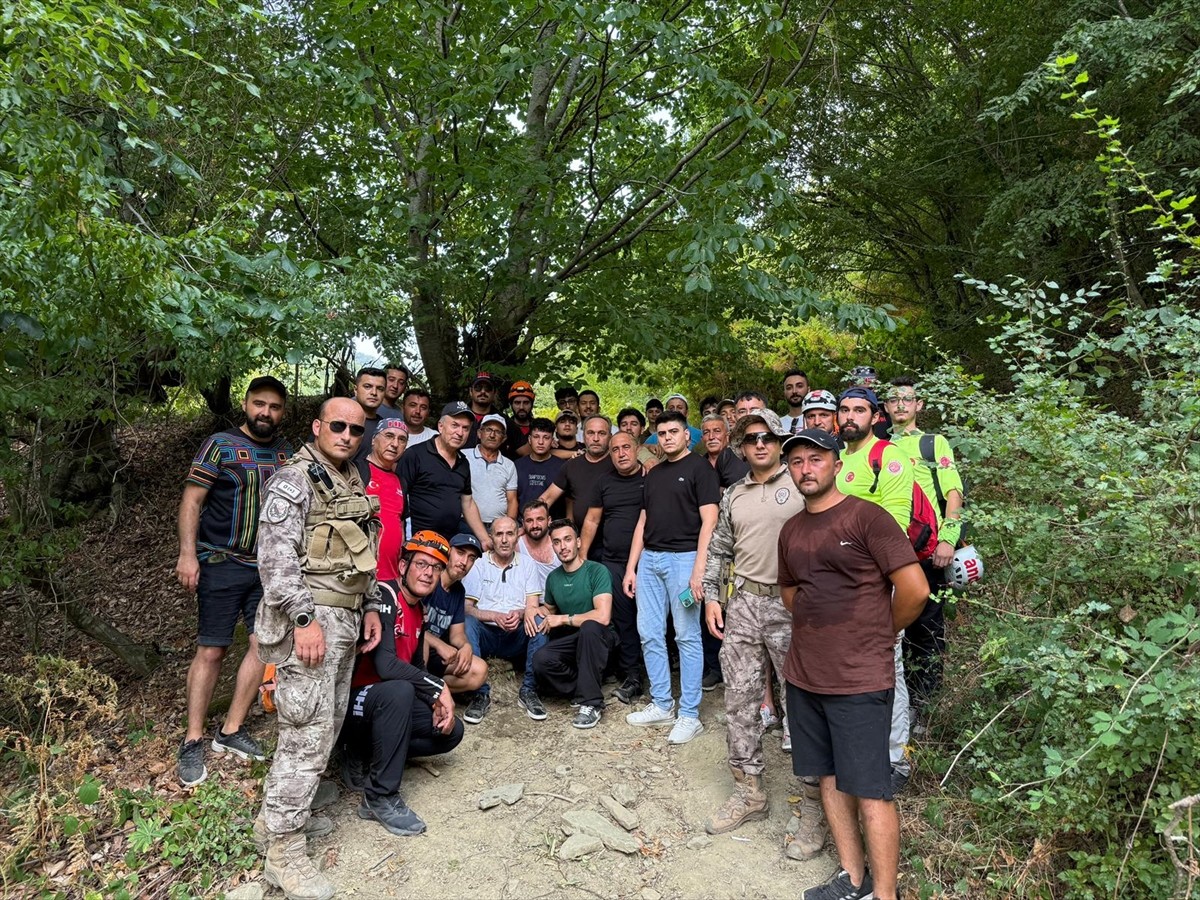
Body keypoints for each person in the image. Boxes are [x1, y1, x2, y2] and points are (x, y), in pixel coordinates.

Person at [778, 429, 929, 900]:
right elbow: (790, 593)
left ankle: (885, 895)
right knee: (827, 775)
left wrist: (880, 633)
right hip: (805, 674)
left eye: (815, 458)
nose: (806, 468)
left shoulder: (867, 518)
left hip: (859, 678)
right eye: (797, 461)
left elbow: (915, 590)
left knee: (871, 788)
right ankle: (853, 878)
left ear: (837, 464)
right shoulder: (792, 529)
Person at [254, 396, 384, 900]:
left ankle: (274, 823)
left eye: (356, 428)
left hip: (345, 617)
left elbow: (362, 551)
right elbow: (275, 561)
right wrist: (304, 619)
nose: (348, 435)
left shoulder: (350, 478)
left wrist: (370, 605)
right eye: (338, 426)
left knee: (324, 725)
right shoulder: (294, 480)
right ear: (317, 426)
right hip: (313, 622)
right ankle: (285, 853)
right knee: (306, 733)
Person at [700, 411, 817, 850]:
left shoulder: (802, 485)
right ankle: (749, 791)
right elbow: (719, 548)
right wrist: (713, 596)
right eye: (751, 439)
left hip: (794, 605)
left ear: (780, 441)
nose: (760, 444)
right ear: (741, 447)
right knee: (740, 699)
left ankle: (813, 806)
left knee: (802, 701)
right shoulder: (734, 494)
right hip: (745, 603)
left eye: (768, 437)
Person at [175, 376, 292, 787]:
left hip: (267, 567)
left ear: (283, 412)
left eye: (275, 407)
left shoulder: (285, 454)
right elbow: (192, 500)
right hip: (221, 560)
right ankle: (193, 739)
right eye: (260, 404)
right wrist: (188, 554)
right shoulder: (220, 445)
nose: (266, 413)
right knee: (212, 649)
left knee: (263, 644)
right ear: (246, 404)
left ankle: (231, 729)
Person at [342, 531, 464, 837]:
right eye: (421, 564)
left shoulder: (419, 611)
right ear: (402, 566)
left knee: (451, 729)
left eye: (436, 568)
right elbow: (385, 665)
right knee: (400, 690)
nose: (428, 573)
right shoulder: (384, 596)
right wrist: (439, 688)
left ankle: (373, 755)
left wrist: (435, 700)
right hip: (353, 703)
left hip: (385, 707)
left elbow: (417, 667)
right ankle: (379, 795)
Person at [836, 386, 919, 791]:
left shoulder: (888, 455)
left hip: (878, 580)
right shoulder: (840, 459)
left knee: (889, 664)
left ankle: (895, 758)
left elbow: (897, 522)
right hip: (841, 585)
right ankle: (863, 748)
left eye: (859, 409)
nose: (850, 416)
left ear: (875, 416)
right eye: (845, 409)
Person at [623, 410, 719, 744]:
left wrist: (699, 570)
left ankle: (690, 714)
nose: (666, 438)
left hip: (685, 560)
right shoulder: (654, 474)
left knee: (686, 636)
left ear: (686, 435)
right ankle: (662, 703)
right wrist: (632, 567)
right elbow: (642, 521)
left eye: (673, 432)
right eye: (661, 433)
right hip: (650, 559)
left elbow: (710, 522)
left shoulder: (700, 470)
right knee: (649, 632)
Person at [884, 376, 964, 713]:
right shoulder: (876, 445)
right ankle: (894, 705)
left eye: (907, 399)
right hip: (887, 554)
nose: (900, 405)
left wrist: (948, 539)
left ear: (919, 405)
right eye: (893, 399)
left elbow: (953, 494)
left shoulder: (933, 443)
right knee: (890, 629)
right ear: (885, 407)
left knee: (927, 631)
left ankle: (927, 705)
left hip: (927, 552)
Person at [528, 519, 618, 728]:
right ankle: (585, 686)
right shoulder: (553, 578)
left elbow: (603, 616)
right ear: (553, 546)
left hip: (601, 639)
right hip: (574, 642)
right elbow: (549, 611)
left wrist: (563, 619)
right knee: (541, 659)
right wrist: (532, 611)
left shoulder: (596, 571)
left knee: (589, 627)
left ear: (578, 542)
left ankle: (592, 703)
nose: (563, 546)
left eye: (567, 540)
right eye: (557, 542)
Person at [580, 430, 646, 705]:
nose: (621, 453)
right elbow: (592, 521)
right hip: (614, 563)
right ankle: (632, 676)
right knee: (623, 621)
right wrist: (582, 558)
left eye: (626, 447)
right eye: (615, 449)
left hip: (650, 562)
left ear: (637, 449)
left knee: (653, 622)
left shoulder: (651, 478)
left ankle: (660, 675)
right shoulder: (604, 481)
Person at [461, 516, 548, 723]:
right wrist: (493, 615)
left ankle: (528, 690)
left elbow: (533, 605)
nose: (504, 539)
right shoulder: (479, 564)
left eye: (509, 533)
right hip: (486, 634)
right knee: (467, 622)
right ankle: (480, 693)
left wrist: (518, 614)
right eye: (499, 534)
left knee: (539, 620)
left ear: (517, 537)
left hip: (516, 634)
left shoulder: (527, 564)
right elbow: (466, 608)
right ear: (491, 538)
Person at [396, 401, 490, 550]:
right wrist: (400, 538)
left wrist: (485, 539)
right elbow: (397, 498)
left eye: (465, 428)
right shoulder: (415, 455)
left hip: (449, 542)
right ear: (440, 426)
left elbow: (468, 503)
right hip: (418, 542)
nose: (460, 433)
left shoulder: (463, 463)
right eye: (455, 425)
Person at [423, 534, 489, 694]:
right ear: (448, 552)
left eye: (471, 558)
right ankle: (420, 689)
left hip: (437, 655)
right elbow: (411, 627)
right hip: (416, 648)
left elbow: (457, 635)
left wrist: (466, 646)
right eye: (460, 553)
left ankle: (430, 690)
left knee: (479, 670)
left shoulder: (459, 591)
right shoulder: (429, 578)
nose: (464, 562)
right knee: (422, 645)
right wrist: (440, 645)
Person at [538, 415, 615, 536]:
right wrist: (530, 520)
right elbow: (547, 498)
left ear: (610, 436)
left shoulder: (618, 464)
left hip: (613, 539)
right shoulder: (571, 465)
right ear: (583, 436)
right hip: (579, 538)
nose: (595, 438)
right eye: (590, 433)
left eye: (601, 433)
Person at [357, 418, 409, 581]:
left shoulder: (401, 481)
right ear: (373, 440)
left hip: (392, 575)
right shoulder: (357, 470)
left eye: (402, 439)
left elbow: (400, 523)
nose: (395, 444)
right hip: (360, 573)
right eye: (389, 436)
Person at [466, 414, 518, 528]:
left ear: (503, 438)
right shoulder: (464, 457)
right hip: (466, 523)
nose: (492, 435)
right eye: (488, 430)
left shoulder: (509, 465)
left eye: (498, 432)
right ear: (479, 433)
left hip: (497, 526)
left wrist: (508, 526)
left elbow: (512, 500)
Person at [700, 413, 750, 488]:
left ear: (728, 437)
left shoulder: (740, 460)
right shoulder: (698, 464)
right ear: (702, 439)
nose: (711, 437)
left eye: (717, 431)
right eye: (706, 432)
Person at [517, 500, 559, 587]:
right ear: (523, 524)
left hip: (558, 599)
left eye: (540, 519)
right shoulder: (516, 545)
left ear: (549, 521)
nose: (535, 525)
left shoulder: (560, 544)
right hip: (527, 599)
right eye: (529, 521)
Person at [351, 367, 388, 463]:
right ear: (356, 389)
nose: (374, 393)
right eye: (367, 386)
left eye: (380, 389)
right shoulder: (338, 419)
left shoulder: (384, 428)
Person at [464, 371, 502, 449]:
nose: (483, 391)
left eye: (488, 388)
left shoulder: (503, 421)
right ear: (471, 391)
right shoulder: (457, 415)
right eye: (478, 388)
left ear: (494, 393)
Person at [505, 380, 537, 457]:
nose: (521, 407)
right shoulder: (504, 427)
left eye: (526, 403)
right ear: (511, 405)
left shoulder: (539, 427)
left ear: (531, 404)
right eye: (517, 403)